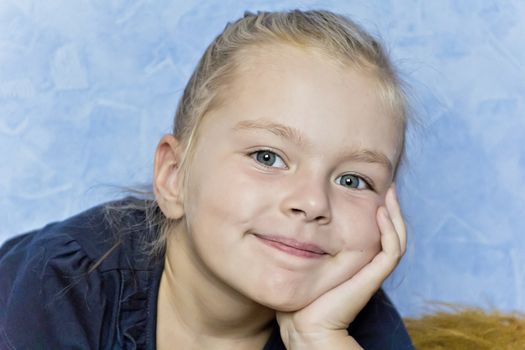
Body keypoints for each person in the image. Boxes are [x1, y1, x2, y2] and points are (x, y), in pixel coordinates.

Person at [0, 9, 413, 349]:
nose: (313, 202)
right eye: (267, 157)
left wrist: (319, 338)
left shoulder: (353, 323)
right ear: (174, 177)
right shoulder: (61, 284)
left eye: (354, 181)